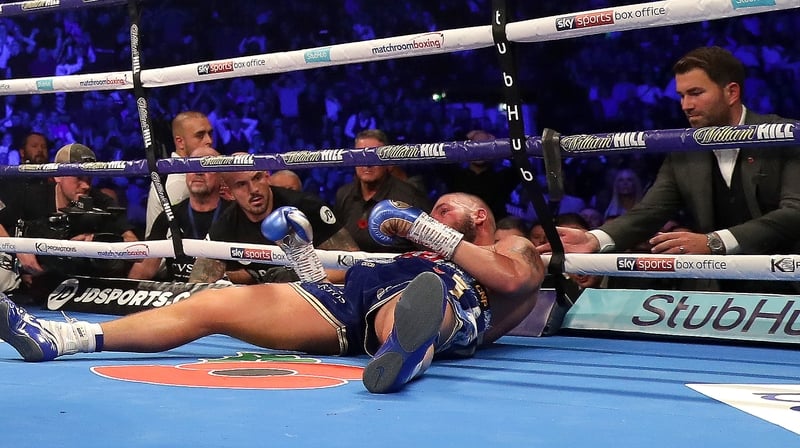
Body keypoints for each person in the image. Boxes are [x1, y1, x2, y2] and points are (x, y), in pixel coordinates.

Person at [0, 193, 544, 394]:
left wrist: (426, 229)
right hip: (358, 301)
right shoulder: (413, 254)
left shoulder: (509, 246)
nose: (432, 216)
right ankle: (64, 338)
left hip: (447, 297)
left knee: (415, 301)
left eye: (444, 209)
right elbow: (326, 287)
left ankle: (403, 351)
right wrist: (299, 254)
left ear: (478, 217)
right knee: (213, 303)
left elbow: (514, 281)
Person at [538, 46, 800, 293]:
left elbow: (795, 211)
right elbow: (650, 211)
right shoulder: (684, 148)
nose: (686, 105)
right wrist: (594, 240)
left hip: (791, 280)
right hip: (726, 290)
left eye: (695, 93)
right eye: (682, 96)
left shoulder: (785, 135)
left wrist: (714, 241)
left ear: (731, 93)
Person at [0, 143, 138, 297]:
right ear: (58, 176)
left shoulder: (102, 202)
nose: (86, 185)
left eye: (90, 177)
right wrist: (19, 249)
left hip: (83, 288)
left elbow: (135, 248)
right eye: (79, 177)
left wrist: (101, 245)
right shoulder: (31, 196)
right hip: (32, 283)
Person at [188, 166, 358, 285]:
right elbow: (198, 284)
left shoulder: (305, 207)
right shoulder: (226, 224)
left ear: (267, 176)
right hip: (261, 306)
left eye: (257, 178)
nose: (253, 189)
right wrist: (238, 278)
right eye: (241, 184)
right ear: (229, 193)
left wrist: (299, 275)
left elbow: (354, 265)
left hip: (313, 297)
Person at [128, 147, 233, 282]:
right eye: (193, 165)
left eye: (207, 166)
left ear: (221, 177)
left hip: (219, 292)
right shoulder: (168, 215)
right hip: (178, 292)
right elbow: (144, 269)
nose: (198, 172)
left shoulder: (234, 215)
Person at [335, 129, 432, 253]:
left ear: (388, 162)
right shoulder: (344, 195)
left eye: (374, 156)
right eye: (360, 156)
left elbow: (429, 250)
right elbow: (338, 242)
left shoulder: (410, 197)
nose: (367, 164)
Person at [144, 111, 214, 238]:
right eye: (200, 135)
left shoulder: (182, 173)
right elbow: (174, 236)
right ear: (180, 142)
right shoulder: (177, 181)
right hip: (167, 248)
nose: (209, 140)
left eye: (210, 133)